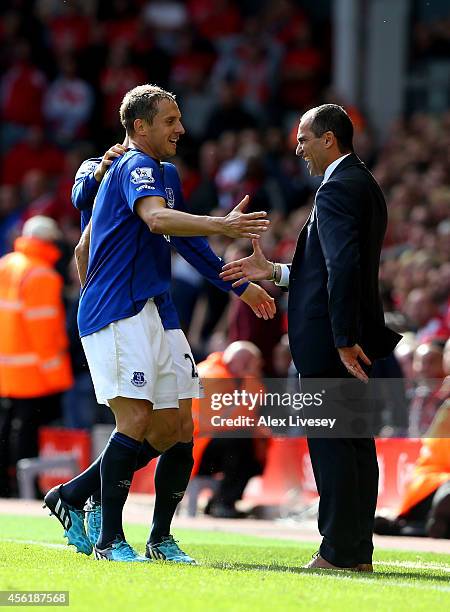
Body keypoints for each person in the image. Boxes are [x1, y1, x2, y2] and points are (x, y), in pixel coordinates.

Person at [44, 83, 272, 563]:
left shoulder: (163, 172)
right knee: (136, 419)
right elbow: (154, 220)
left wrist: (239, 285)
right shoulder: (130, 164)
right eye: (170, 121)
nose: (182, 129)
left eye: (180, 118)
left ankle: (150, 534)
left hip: (156, 308)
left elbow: (183, 240)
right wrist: (222, 224)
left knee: (179, 428)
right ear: (139, 126)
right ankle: (109, 539)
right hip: (116, 307)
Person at [221, 104, 401, 571]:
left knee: (336, 448)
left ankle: (338, 552)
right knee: (355, 446)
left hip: (331, 343)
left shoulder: (338, 189)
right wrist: (277, 272)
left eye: (303, 138)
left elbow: (343, 267)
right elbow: (330, 267)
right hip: (349, 336)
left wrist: (341, 338)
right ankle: (357, 550)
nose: (297, 147)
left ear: (328, 139)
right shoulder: (363, 184)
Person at [0, 216, 73, 497]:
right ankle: (23, 488)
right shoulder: (42, 275)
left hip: (7, 367)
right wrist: (57, 376)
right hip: (34, 372)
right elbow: (43, 333)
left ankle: (7, 484)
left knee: (7, 427)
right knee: (27, 431)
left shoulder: (6, 265)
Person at [191, 341, 267, 518]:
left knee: (253, 451)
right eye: (255, 364)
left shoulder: (227, 374)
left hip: (207, 446)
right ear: (242, 363)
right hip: (195, 449)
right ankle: (223, 503)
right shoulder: (213, 375)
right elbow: (230, 420)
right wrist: (252, 379)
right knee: (242, 441)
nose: (259, 368)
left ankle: (221, 501)